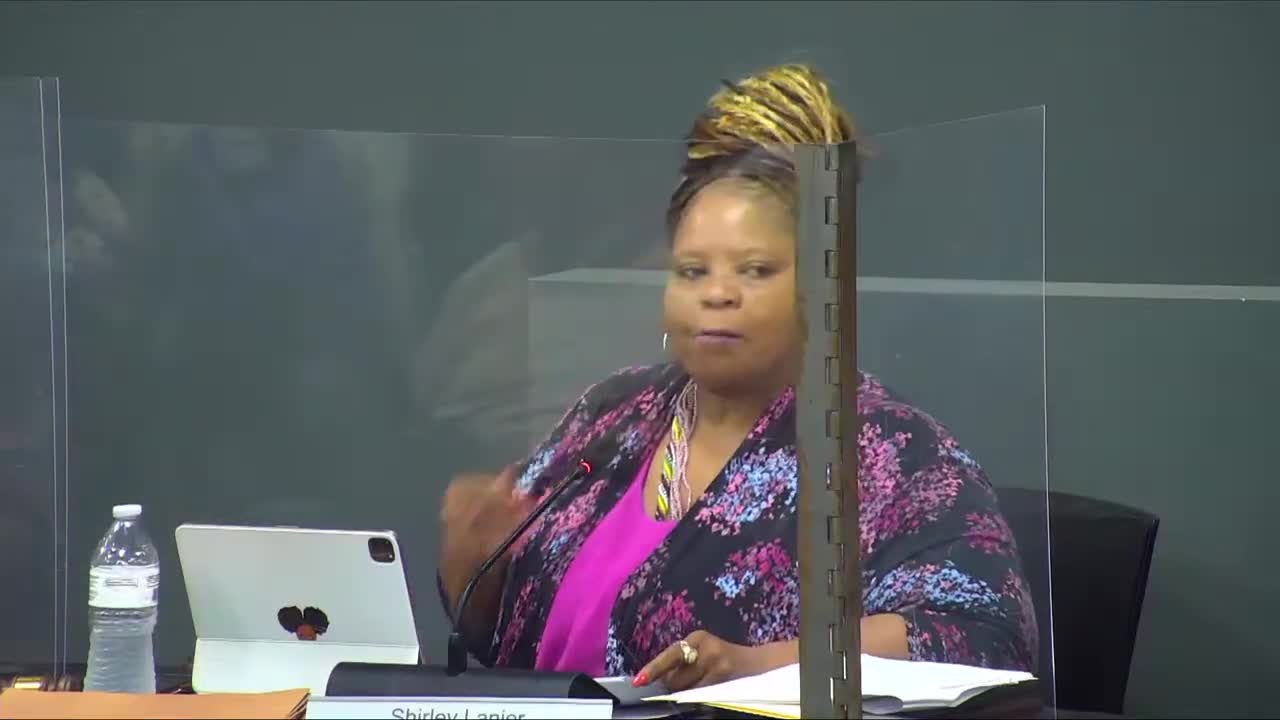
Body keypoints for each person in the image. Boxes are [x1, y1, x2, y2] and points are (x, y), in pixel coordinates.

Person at [438, 64, 1038, 692]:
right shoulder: (613, 413)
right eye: (692, 271)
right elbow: (501, 643)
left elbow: (982, 639)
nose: (717, 294)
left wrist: (754, 667)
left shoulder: (887, 451)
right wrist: (475, 564)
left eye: (754, 270)